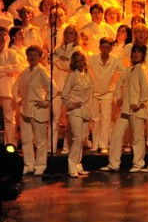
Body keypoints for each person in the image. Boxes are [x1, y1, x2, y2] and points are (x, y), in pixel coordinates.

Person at [101, 44, 148, 173]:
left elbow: (145, 89)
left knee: (138, 137)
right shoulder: (129, 70)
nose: (135, 54)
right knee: (116, 133)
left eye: (138, 52)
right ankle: (113, 163)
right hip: (126, 109)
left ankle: (138, 163)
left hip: (136, 110)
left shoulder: (142, 69)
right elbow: (119, 84)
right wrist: (119, 97)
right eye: (134, 52)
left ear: (143, 55)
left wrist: (140, 103)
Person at [14, 45, 57, 175]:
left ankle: (40, 165)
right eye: (30, 55)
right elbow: (15, 87)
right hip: (25, 110)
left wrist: (46, 101)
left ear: (39, 57)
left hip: (37, 110)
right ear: (27, 57)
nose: (32, 57)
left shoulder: (42, 71)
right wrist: (18, 100)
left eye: (35, 55)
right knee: (26, 140)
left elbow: (53, 88)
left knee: (40, 140)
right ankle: (29, 164)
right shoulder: (25, 72)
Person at [62, 50, 93, 177]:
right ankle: (72, 166)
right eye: (78, 61)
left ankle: (78, 165)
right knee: (77, 138)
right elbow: (64, 94)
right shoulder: (72, 76)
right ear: (74, 63)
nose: (81, 63)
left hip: (86, 110)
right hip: (75, 111)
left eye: (82, 60)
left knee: (82, 139)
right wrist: (71, 104)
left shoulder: (88, 74)